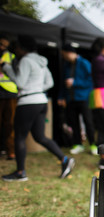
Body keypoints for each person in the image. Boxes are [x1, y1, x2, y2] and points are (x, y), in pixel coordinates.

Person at [0, 35, 74, 182]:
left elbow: (20, 83)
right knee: (40, 136)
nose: (16, 51)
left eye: (17, 48)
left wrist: (6, 67)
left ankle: (21, 172)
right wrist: (37, 89)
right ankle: (64, 159)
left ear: (22, 48)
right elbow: (50, 82)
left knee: (19, 137)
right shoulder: (41, 62)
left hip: (28, 101)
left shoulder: (26, 60)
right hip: (41, 100)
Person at [59, 44, 97, 155]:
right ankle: (78, 144)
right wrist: (61, 96)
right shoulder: (66, 65)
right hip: (71, 98)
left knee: (88, 121)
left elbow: (91, 80)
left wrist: (75, 83)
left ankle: (93, 144)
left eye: (63, 54)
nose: (63, 57)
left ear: (69, 52)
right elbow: (63, 83)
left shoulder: (84, 63)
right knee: (73, 122)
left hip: (84, 97)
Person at [0, 34, 17, 160]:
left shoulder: (11, 57)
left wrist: (6, 68)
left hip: (9, 94)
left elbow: (17, 77)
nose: (2, 47)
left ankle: (10, 150)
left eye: (4, 45)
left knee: (10, 123)